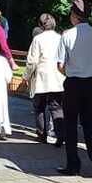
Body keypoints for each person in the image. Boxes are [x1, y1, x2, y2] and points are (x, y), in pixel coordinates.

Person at [57, 0, 92, 176]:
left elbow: (60, 65)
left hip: (74, 83)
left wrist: (70, 72)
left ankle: (73, 164)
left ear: (74, 16)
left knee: (70, 123)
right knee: (89, 122)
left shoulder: (67, 35)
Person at [25, 14, 65, 143]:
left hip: (41, 78)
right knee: (56, 107)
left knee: (39, 107)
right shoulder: (61, 38)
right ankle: (60, 134)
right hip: (58, 77)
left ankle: (41, 134)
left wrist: (26, 76)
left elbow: (32, 61)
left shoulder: (38, 39)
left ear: (40, 25)